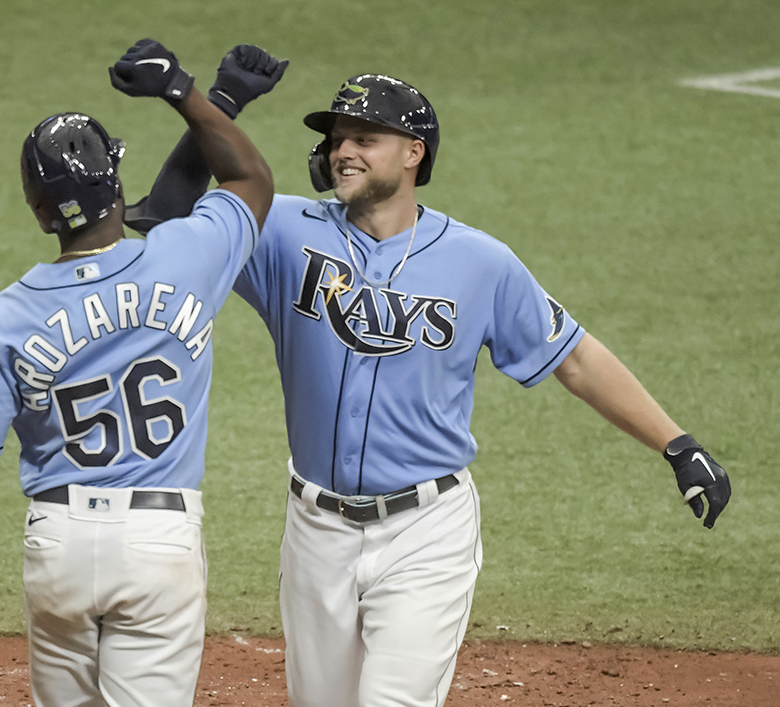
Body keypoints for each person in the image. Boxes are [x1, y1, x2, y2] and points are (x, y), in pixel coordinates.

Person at [131, 65, 732, 706]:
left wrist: (677, 444)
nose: (344, 151)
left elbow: (575, 357)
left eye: (366, 137)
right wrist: (213, 101)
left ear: (414, 153)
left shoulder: (479, 262)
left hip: (426, 531)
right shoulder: (281, 231)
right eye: (338, 138)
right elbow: (166, 211)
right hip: (315, 530)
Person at [0, 38, 274, 707]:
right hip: (157, 542)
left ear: (37, 210)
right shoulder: (184, 258)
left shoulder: (5, 317)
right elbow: (248, 180)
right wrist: (191, 93)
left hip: (59, 543)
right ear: (116, 182)